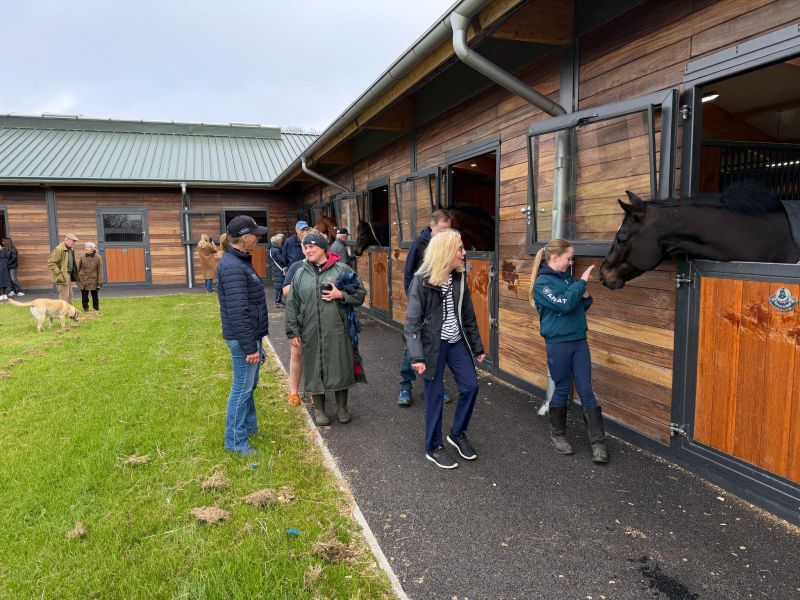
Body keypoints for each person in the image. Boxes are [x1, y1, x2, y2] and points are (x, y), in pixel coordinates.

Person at [405, 229, 486, 469]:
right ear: (447, 252)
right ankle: (433, 446)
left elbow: (468, 315)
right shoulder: (421, 281)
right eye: (460, 249)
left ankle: (457, 433)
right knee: (435, 395)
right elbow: (411, 323)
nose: (464, 253)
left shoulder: (459, 278)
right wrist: (416, 356)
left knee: (471, 387)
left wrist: (477, 347)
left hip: (456, 341)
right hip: (432, 345)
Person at [530, 239, 608, 464]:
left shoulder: (567, 279)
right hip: (558, 344)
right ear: (555, 258)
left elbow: (582, 305)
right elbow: (564, 304)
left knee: (586, 390)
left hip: (579, 341)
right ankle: (558, 435)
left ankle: (598, 443)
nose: (571, 261)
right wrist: (581, 284)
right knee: (562, 388)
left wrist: (583, 293)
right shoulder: (543, 283)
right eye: (569, 258)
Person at [285, 231, 366, 426]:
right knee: (314, 367)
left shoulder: (341, 269)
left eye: (312, 246)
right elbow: (292, 304)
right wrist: (292, 330)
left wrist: (341, 295)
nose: (308, 250)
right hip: (309, 330)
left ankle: (342, 408)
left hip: (338, 328)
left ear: (322, 248)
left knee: (339, 365)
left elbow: (361, 293)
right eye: (305, 247)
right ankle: (319, 410)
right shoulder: (300, 273)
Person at [217, 215, 269, 456]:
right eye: (255, 234)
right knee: (242, 388)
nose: (259, 237)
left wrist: (258, 340)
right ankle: (236, 442)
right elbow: (238, 311)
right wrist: (250, 347)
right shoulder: (233, 267)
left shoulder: (240, 261)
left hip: (248, 336)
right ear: (245, 238)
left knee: (250, 385)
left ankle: (249, 426)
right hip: (242, 339)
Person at [397, 209, 453, 407]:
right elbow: (408, 272)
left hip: (438, 304)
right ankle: (405, 385)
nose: (445, 233)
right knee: (412, 344)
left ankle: (437, 385)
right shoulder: (419, 243)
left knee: (437, 344)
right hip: (421, 301)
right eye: (442, 229)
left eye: (448, 230)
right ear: (432, 225)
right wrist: (413, 298)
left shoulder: (448, 244)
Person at [48, 233, 79, 304]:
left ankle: (70, 312)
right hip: (62, 275)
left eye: (75, 241)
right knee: (64, 297)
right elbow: (51, 263)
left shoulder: (70, 249)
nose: (74, 243)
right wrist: (59, 273)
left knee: (70, 295)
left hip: (68, 275)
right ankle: (62, 313)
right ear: (67, 240)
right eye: (73, 241)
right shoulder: (59, 249)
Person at [76, 241, 104, 311]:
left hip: (93, 279)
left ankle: (96, 308)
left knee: (94, 294)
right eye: (85, 248)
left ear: (92, 249)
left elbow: (100, 270)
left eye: (87, 248)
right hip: (83, 279)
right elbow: (78, 268)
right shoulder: (82, 256)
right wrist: (77, 278)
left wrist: (100, 281)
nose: (85, 249)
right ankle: (85, 308)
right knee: (84, 294)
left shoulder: (98, 257)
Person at [268, 233, 287, 306]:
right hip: (280, 269)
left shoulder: (273, 249)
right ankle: (277, 301)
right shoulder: (276, 250)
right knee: (279, 285)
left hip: (278, 268)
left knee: (280, 285)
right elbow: (282, 260)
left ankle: (278, 300)